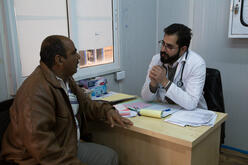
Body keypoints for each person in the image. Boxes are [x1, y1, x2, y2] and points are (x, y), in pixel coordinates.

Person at [1, 35, 133, 165]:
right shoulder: (35, 92)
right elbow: (44, 151)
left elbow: (86, 104)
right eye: (74, 53)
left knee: (109, 157)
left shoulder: (65, 79)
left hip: (66, 145)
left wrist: (107, 111)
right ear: (59, 60)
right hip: (32, 159)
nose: (79, 57)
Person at [141, 23, 207, 110]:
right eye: (163, 43)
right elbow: (145, 98)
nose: (163, 50)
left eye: (169, 46)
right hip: (165, 111)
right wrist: (153, 84)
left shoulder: (197, 64)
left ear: (183, 49)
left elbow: (191, 104)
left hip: (191, 115)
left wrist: (164, 81)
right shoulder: (157, 59)